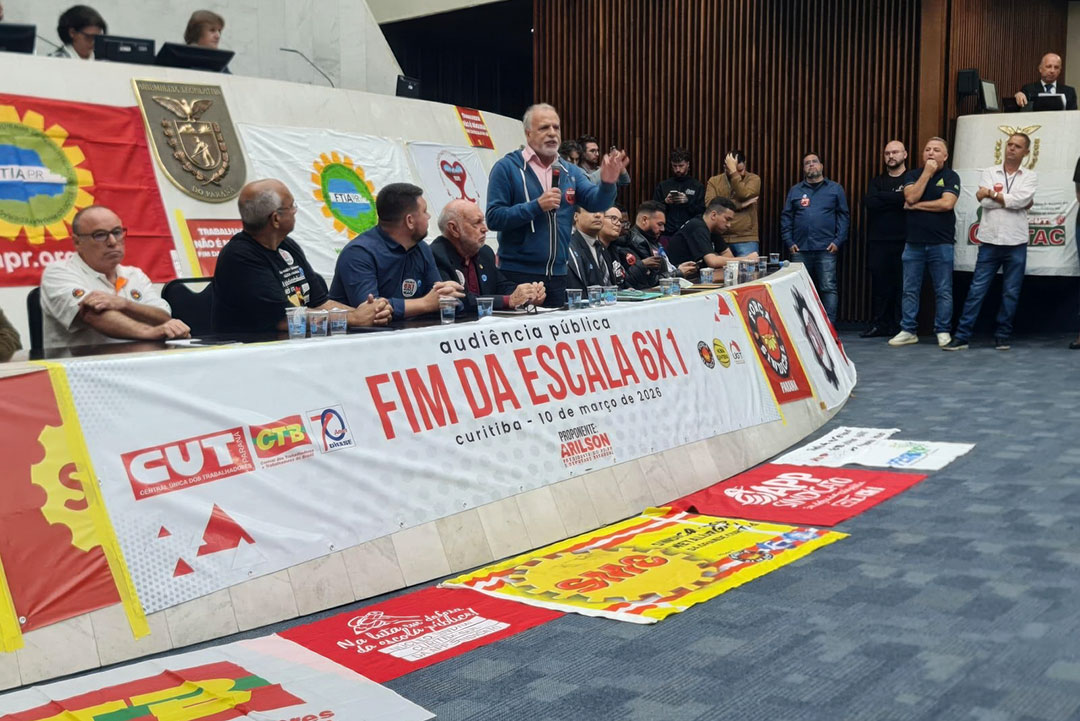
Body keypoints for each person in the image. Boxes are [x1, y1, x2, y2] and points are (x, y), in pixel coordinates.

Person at [486, 103, 627, 307]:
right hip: (517, 275)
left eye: (556, 127)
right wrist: (536, 206)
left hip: (559, 276)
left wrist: (608, 183)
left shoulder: (571, 172)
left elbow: (597, 202)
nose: (552, 133)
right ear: (528, 133)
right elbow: (494, 218)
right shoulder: (507, 168)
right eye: (544, 128)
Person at [212, 179, 390, 333]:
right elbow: (285, 319)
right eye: (291, 206)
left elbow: (320, 304)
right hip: (256, 351)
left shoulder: (287, 245)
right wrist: (354, 318)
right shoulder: (239, 257)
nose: (295, 211)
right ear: (276, 219)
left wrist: (370, 313)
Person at [40, 205, 189, 347]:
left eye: (117, 232)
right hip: (83, 364)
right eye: (99, 235)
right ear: (77, 242)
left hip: (137, 359)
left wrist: (125, 304)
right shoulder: (58, 273)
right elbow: (92, 315)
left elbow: (163, 317)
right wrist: (150, 332)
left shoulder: (135, 275)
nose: (112, 242)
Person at [943, 134, 1036, 351]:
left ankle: (1002, 335)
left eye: (1017, 146)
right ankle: (962, 336)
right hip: (990, 241)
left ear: (1026, 152)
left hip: (1016, 242)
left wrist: (993, 194)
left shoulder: (1030, 176)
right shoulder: (989, 172)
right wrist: (1010, 200)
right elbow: (984, 202)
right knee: (976, 290)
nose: (1011, 148)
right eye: (1009, 144)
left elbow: (1021, 200)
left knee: (1011, 292)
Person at [329, 183, 464, 318]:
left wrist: (448, 295)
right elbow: (370, 311)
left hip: (414, 329)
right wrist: (425, 304)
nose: (428, 216)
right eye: (424, 211)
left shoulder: (422, 248)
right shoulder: (359, 253)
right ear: (410, 221)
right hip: (362, 332)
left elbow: (438, 299)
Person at [889, 137, 961, 348]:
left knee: (943, 290)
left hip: (941, 243)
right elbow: (911, 197)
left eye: (936, 150)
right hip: (914, 243)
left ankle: (943, 330)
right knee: (910, 289)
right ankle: (908, 330)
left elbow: (947, 204)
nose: (931, 153)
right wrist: (927, 173)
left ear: (945, 156)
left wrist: (916, 207)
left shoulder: (951, 176)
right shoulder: (912, 175)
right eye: (927, 149)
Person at [430, 199, 544, 311]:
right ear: (454, 229)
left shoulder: (485, 252)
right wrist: (508, 300)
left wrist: (528, 294)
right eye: (477, 223)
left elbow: (502, 286)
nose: (485, 229)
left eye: (483, 221)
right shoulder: (436, 255)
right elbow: (458, 300)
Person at [780, 152, 849, 322]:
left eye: (814, 161)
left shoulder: (835, 189)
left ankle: (829, 327)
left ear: (821, 166)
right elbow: (786, 217)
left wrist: (838, 241)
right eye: (807, 163)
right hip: (800, 249)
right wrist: (789, 241)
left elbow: (844, 217)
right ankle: (801, 327)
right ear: (803, 168)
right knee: (799, 289)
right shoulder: (795, 190)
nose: (811, 164)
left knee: (828, 288)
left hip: (827, 248)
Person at [861, 140, 909, 338]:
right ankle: (880, 324)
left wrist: (884, 197)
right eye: (887, 153)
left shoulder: (911, 179)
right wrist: (897, 199)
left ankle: (899, 326)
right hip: (878, 242)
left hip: (904, 240)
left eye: (895, 152)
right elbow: (870, 202)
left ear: (904, 155)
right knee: (880, 286)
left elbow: (909, 199)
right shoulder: (876, 181)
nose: (891, 156)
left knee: (902, 285)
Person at [613, 201, 697, 289]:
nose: (663, 229)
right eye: (659, 224)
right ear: (644, 220)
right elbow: (651, 282)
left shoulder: (653, 240)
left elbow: (662, 271)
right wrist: (678, 273)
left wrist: (678, 268)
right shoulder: (635, 243)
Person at [667, 196, 757, 270]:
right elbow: (712, 261)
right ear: (714, 215)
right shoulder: (697, 227)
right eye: (727, 219)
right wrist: (746, 259)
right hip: (679, 279)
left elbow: (728, 256)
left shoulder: (714, 229)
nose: (729, 225)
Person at [704, 150, 761, 256]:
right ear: (725, 167)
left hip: (745, 237)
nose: (740, 174)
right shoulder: (714, 181)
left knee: (748, 266)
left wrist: (734, 173)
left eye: (741, 170)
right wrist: (740, 205)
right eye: (735, 170)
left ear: (745, 164)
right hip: (720, 236)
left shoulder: (753, 179)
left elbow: (743, 195)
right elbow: (711, 205)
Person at [653, 148, 705, 237]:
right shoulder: (663, 185)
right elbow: (653, 210)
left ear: (688, 164)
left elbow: (702, 213)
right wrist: (665, 202)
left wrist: (687, 202)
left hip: (690, 233)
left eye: (681, 166)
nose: (677, 169)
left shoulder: (697, 186)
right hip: (667, 232)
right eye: (674, 166)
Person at [567, 207, 613, 292]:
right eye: (591, 210)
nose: (598, 215)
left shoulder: (602, 247)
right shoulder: (569, 248)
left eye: (601, 211)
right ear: (576, 216)